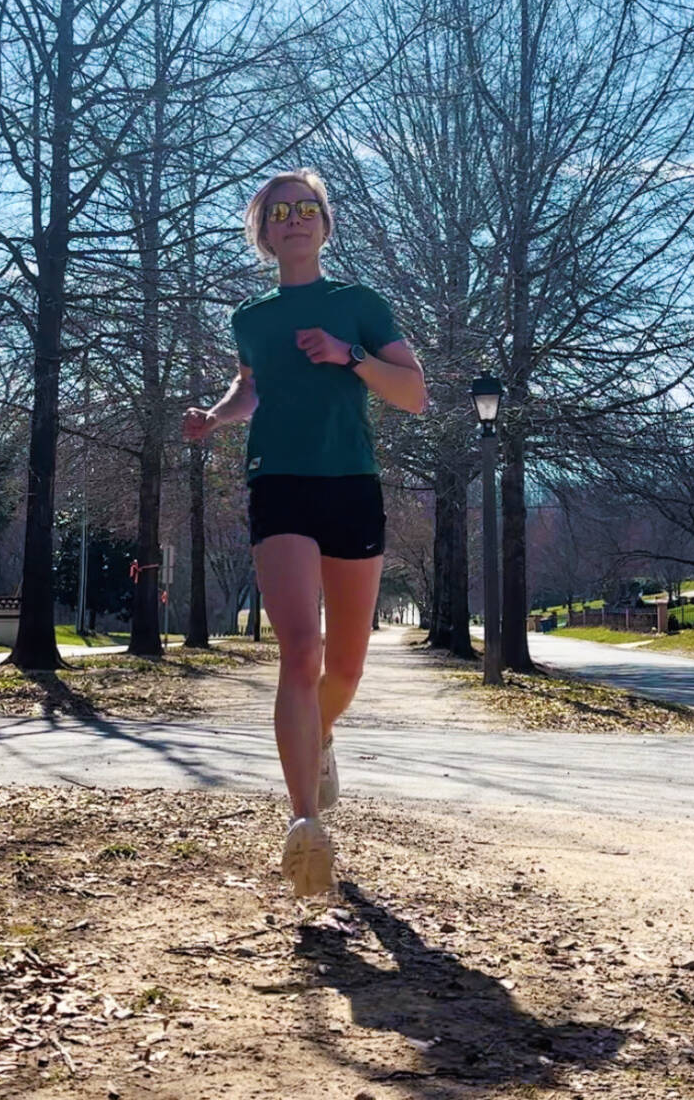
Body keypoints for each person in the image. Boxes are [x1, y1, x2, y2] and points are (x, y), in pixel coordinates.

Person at [182, 169, 426, 898]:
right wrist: (218, 417)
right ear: (263, 231)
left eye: (306, 208)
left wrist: (348, 356)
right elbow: (250, 384)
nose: (294, 219)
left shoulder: (359, 304)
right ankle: (304, 824)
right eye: (278, 211)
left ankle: (319, 738)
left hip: (350, 482)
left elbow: (414, 394)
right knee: (301, 649)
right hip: (278, 482)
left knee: (345, 669)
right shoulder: (250, 317)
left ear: (324, 223)